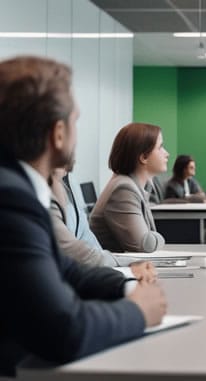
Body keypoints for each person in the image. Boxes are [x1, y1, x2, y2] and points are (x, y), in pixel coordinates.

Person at [0, 56, 166, 377]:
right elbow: (63, 331)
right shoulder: (11, 200)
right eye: (76, 120)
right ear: (58, 133)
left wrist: (126, 287)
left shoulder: (17, 187)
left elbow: (67, 271)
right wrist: (138, 312)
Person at [49, 163, 154, 276]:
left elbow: (87, 240)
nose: (166, 153)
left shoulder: (70, 182)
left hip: (84, 271)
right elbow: (145, 242)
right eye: (159, 148)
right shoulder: (124, 186)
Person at [90, 123, 168, 253]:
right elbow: (144, 245)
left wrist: (152, 237)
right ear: (143, 157)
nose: (166, 153)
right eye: (160, 147)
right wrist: (162, 238)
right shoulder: (124, 189)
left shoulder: (132, 185)